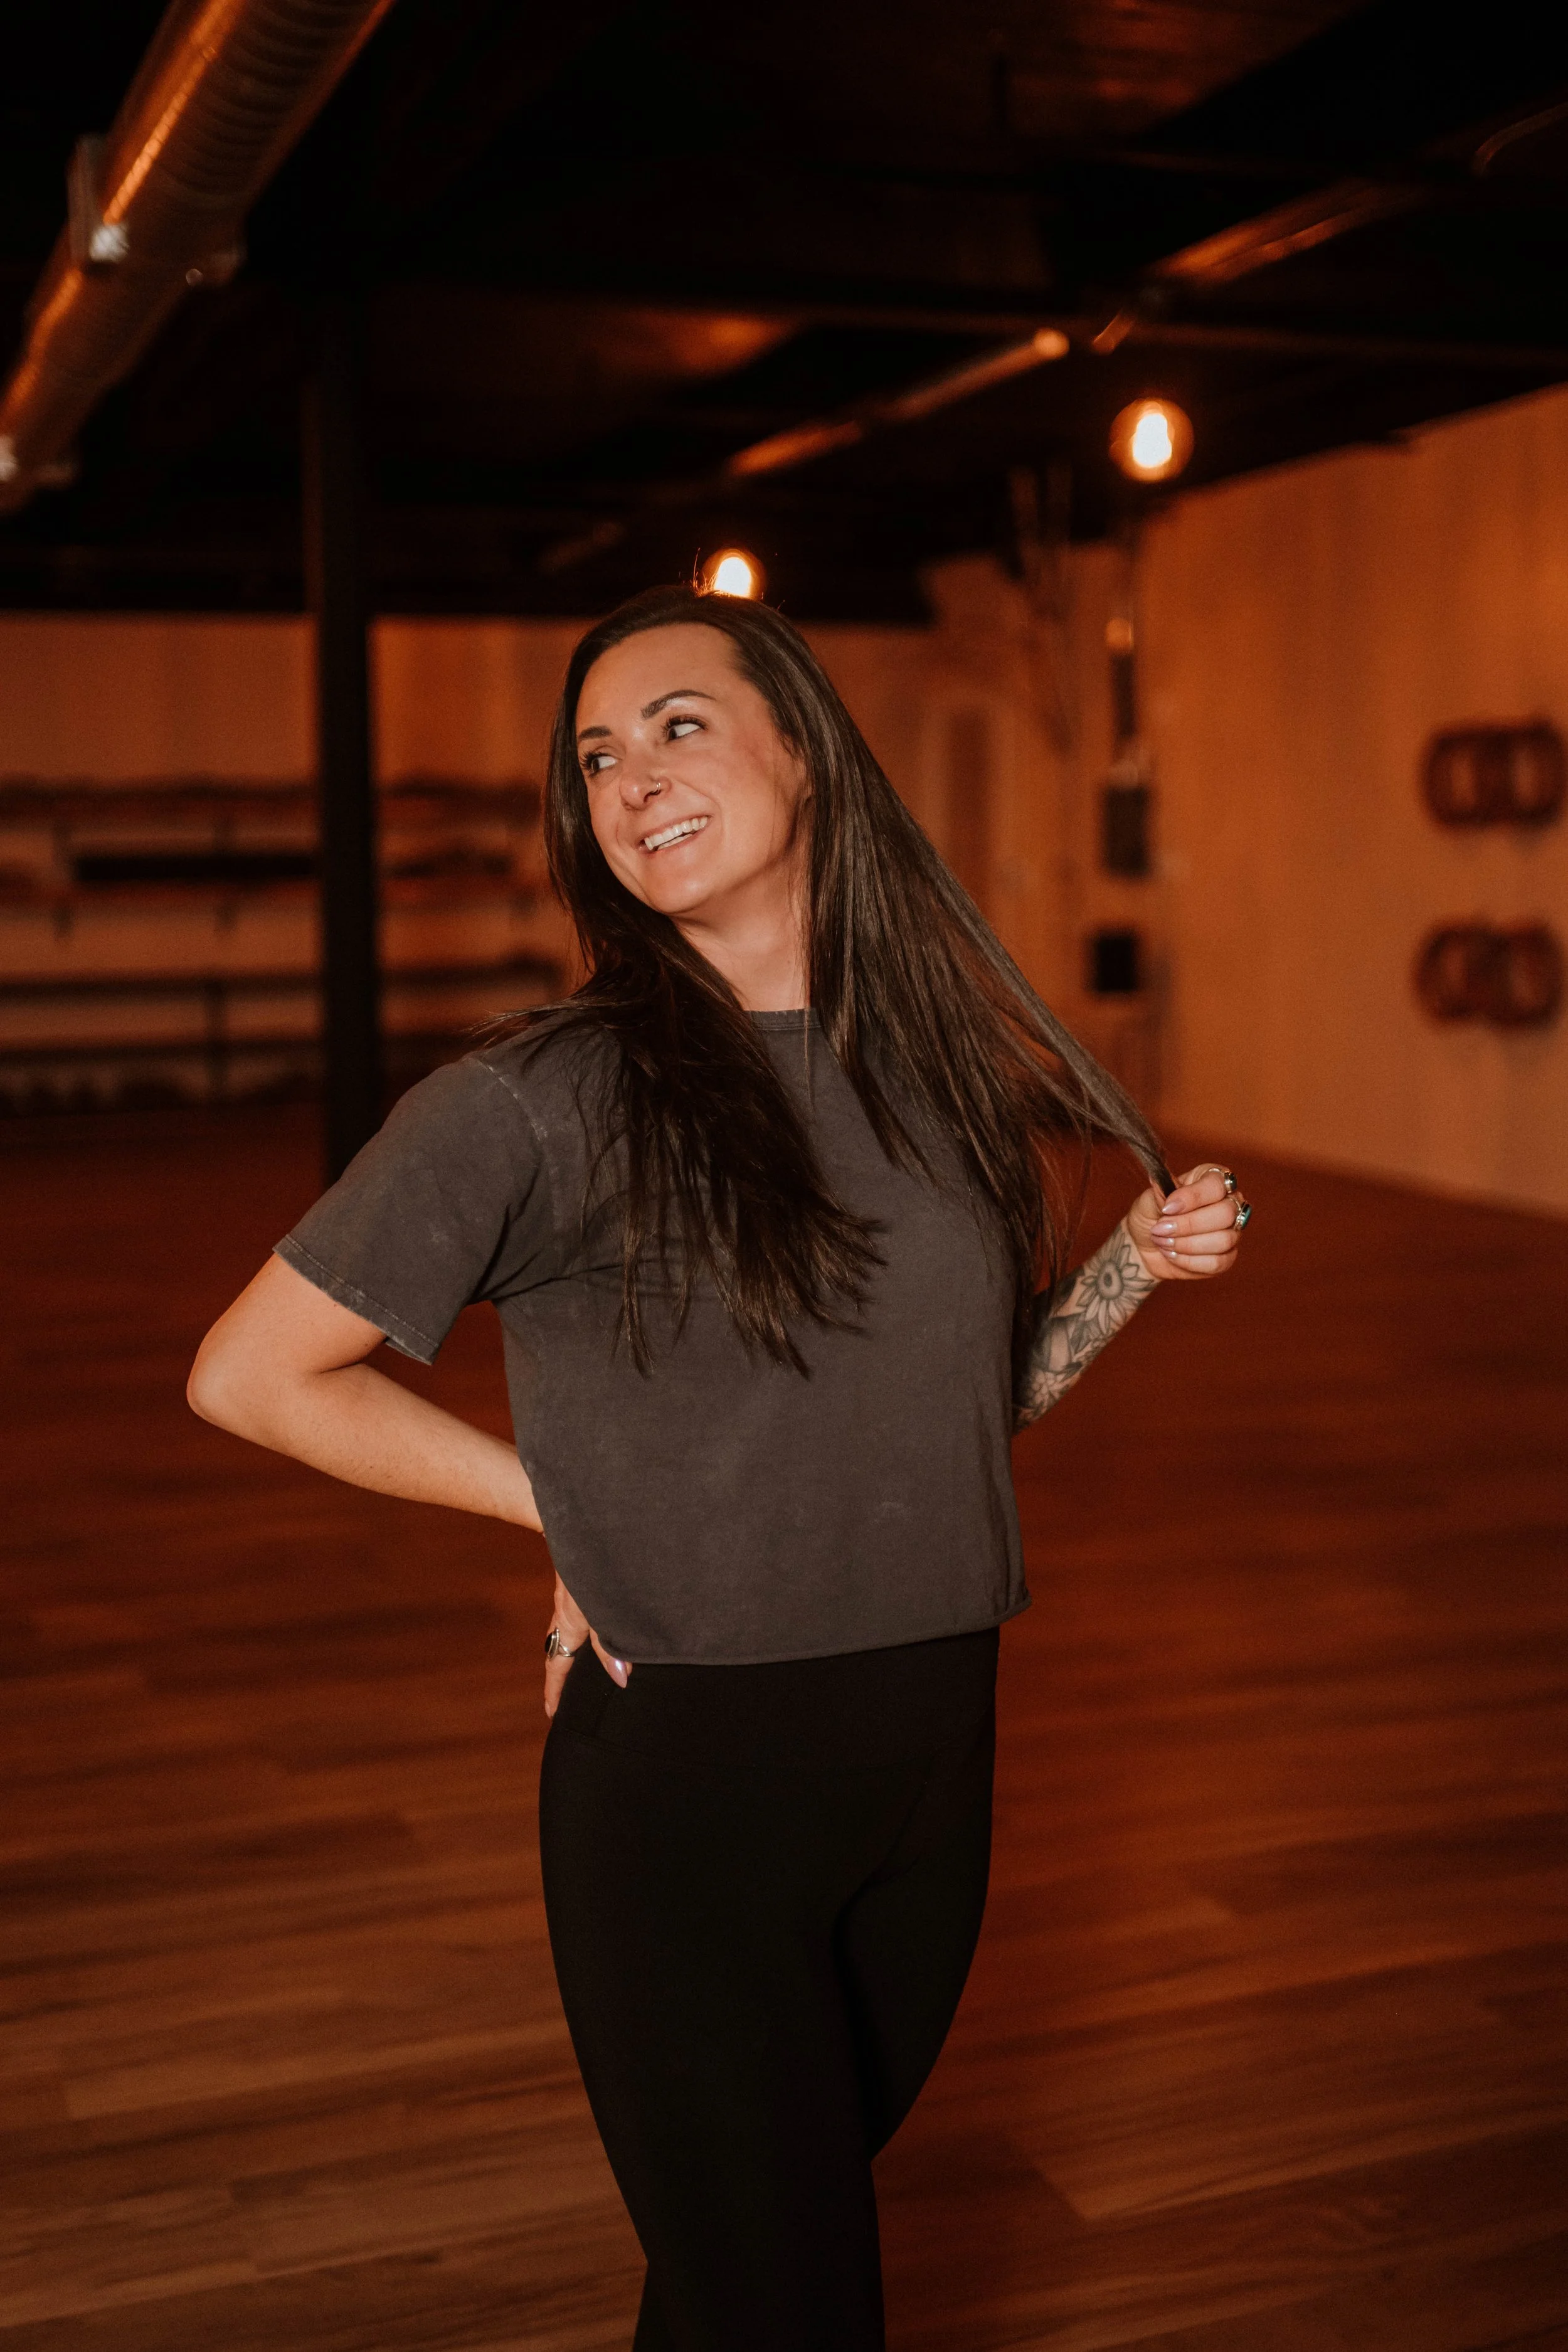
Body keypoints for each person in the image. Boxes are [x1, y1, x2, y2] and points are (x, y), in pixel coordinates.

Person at [188, 583, 1251, 2351]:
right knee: (795, 2288)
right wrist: (576, 1509)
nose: (629, 779)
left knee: (749, 2267)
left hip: (932, 1744)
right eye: (595, 755)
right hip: (688, 1783)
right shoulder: (534, 1098)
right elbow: (252, 1374)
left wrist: (1135, 1261)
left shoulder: (942, 1077)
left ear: (806, 751)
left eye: (677, 723)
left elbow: (954, 1410)